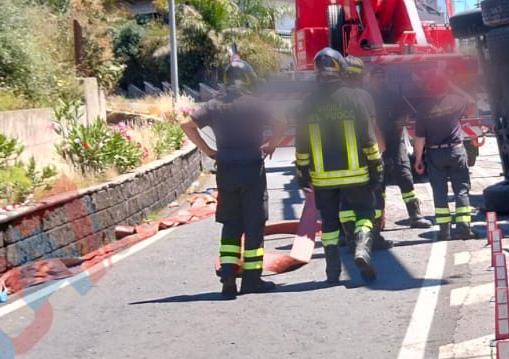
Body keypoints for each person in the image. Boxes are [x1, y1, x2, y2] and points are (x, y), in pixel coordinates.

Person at [181, 59, 282, 298]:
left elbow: (187, 125)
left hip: (226, 169)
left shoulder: (214, 106)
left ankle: (228, 272)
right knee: (254, 224)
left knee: (231, 223)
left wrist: (209, 151)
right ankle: (252, 280)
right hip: (252, 169)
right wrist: (272, 145)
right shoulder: (257, 104)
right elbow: (282, 122)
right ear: (248, 79)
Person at [293, 48, 384, 283]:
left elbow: (302, 144)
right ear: (340, 68)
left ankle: (332, 270)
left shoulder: (308, 103)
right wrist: (376, 166)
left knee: (330, 223)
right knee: (364, 213)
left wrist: (302, 172)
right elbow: (367, 138)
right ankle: (362, 250)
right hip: (357, 176)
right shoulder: (354, 98)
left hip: (323, 180)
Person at [410, 69, 475, 240]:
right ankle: (464, 228)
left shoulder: (423, 109)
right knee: (461, 190)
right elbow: (471, 100)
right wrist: (453, 86)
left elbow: (419, 138)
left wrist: (418, 159)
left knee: (439, 191)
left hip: (435, 154)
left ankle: (444, 231)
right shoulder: (455, 101)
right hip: (456, 151)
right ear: (445, 86)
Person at [366, 63, 429, 234]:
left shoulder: (392, 94)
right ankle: (378, 221)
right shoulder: (367, 96)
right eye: (377, 77)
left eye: (382, 77)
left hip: (396, 139)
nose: (381, 80)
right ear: (371, 78)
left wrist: (402, 119)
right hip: (376, 141)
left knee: (404, 175)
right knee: (379, 181)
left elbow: (406, 111)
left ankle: (415, 216)